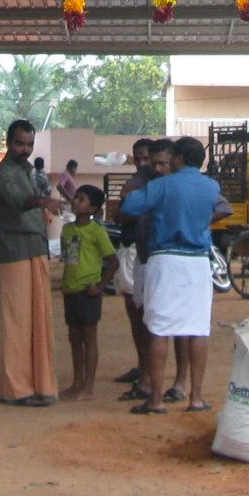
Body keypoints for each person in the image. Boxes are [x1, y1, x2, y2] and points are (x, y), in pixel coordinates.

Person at [116, 135, 229, 415]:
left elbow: (128, 207)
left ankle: (155, 399)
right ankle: (196, 397)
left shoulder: (162, 185)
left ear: (178, 158)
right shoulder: (210, 186)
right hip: (198, 262)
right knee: (198, 329)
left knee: (158, 329)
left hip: (164, 260)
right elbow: (221, 208)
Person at [0, 119, 62, 407]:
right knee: (18, 322)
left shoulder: (28, 170)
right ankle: (16, 389)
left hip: (35, 248)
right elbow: (18, 199)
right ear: (8, 142)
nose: (25, 149)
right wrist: (43, 202)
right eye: (20, 143)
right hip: (15, 250)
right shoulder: (4, 172)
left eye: (29, 144)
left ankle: (41, 385)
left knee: (40, 321)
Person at [109, 139, 159, 397]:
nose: (142, 163)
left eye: (146, 158)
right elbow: (118, 211)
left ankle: (150, 374)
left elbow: (124, 209)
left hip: (148, 254)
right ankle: (143, 367)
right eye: (137, 158)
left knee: (149, 316)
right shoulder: (134, 182)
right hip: (131, 249)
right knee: (134, 312)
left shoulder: (155, 184)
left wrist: (130, 206)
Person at [58, 185, 115, 402]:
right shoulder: (67, 230)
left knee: (89, 337)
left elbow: (113, 261)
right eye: (76, 198)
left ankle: (88, 386)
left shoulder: (96, 231)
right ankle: (76, 382)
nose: (75, 202)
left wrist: (100, 286)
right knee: (74, 337)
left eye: (81, 199)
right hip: (70, 290)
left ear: (92, 207)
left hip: (88, 292)